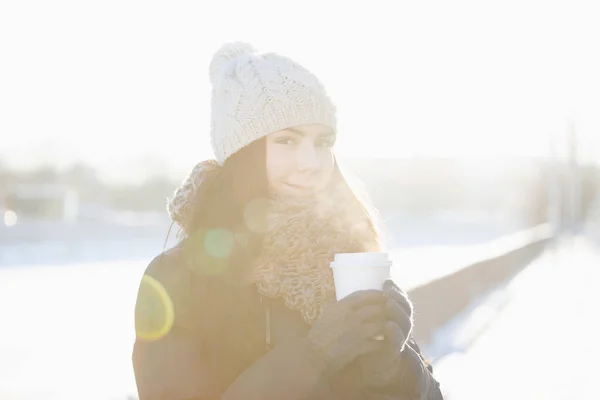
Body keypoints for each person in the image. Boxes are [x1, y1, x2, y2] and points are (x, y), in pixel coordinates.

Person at [132, 42, 443, 400]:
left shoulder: (349, 255)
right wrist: (315, 354)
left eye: (322, 142)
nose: (309, 162)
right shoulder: (177, 276)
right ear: (241, 155)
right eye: (286, 141)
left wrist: (392, 369)